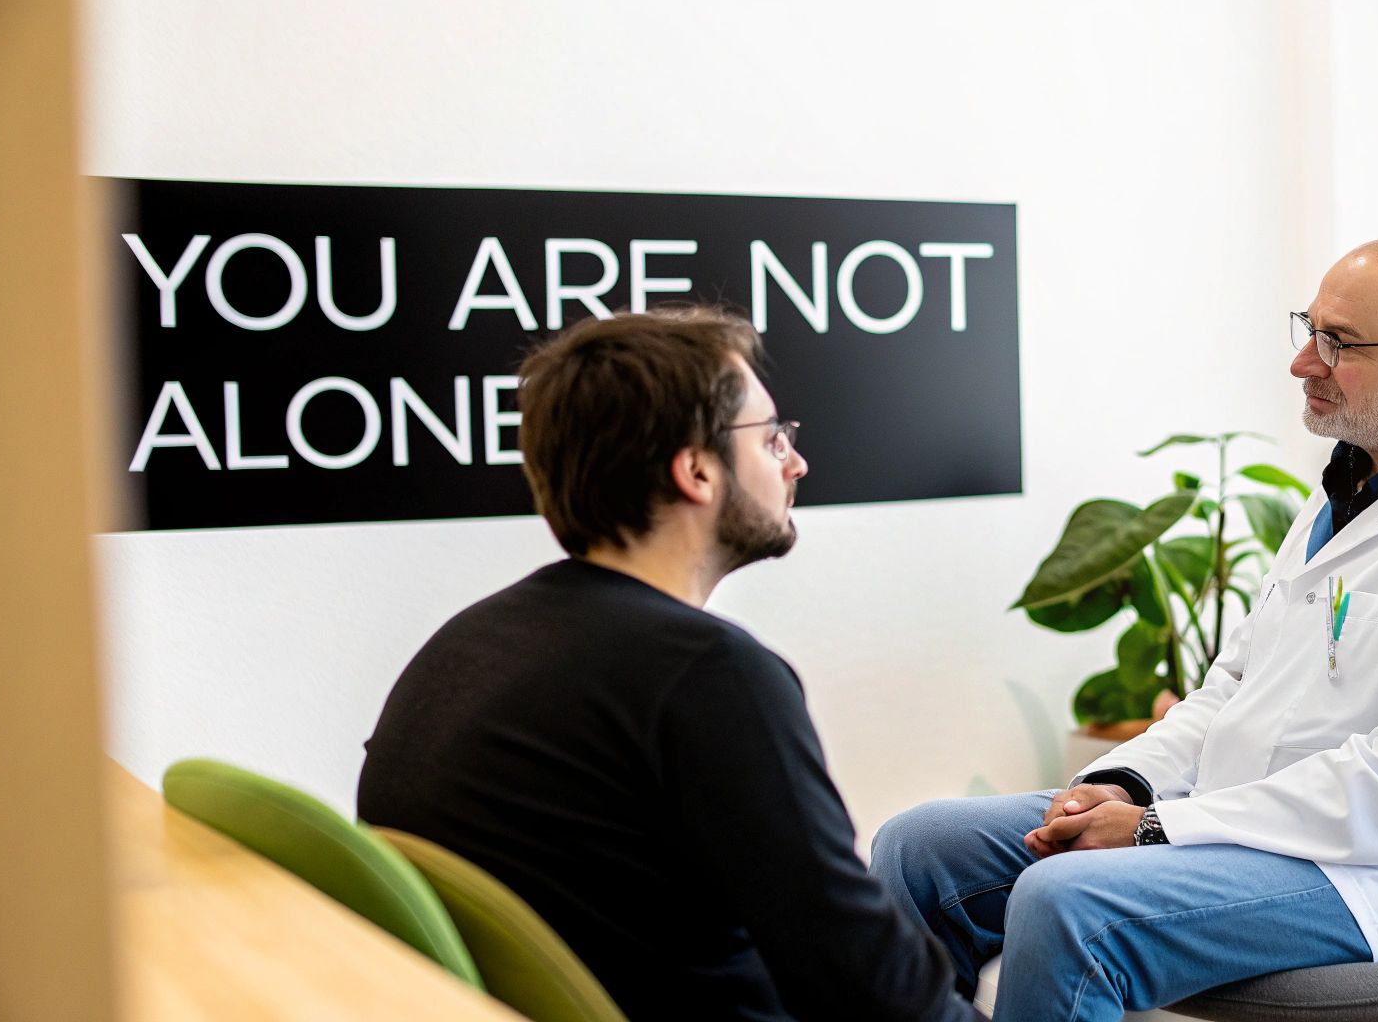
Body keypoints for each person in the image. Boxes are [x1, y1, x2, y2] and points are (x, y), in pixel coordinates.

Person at [870, 234, 1378, 1021]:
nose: (1304, 362)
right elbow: (1232, 688)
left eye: (1341, 343)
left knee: (1068, 902)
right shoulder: (1346, 494)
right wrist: (1122, 784)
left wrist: (1156, 829)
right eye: (1309, 328)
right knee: (919, 850)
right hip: (1243, 821)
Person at [357, 307, 977, 1021]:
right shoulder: (707, 676)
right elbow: (871, 987)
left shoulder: (468, 645)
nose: (795, 462)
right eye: (772, 438)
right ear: (696, 471)